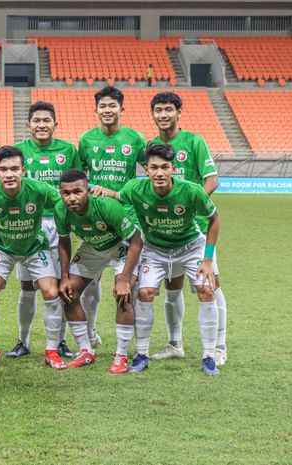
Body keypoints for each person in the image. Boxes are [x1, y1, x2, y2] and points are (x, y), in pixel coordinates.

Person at [119, 143, 221, 375]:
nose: (159, 173)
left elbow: (214, 219)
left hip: (190, 247)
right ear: (146, 169)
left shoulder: (191, 190)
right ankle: (142, 354)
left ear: (173, 169)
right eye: (154, 167)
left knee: (206, 290)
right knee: (145, 293)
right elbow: (119, 200)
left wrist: (207, 260)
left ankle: (209, 356)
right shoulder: (135, 188)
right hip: (155, 249)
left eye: (165, 167)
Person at [148, 91, 228, 366]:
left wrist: (191, 207)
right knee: (172, 288)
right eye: (159, 110)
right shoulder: (151, 145)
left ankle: (219, 347)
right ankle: (175, 344)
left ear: (179, 113)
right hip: (166, 233)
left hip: (196, 228)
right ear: (153, 115)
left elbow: (212, 180)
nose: (163, 115)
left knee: (210, 286)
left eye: (169, 109)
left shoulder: (194, 141)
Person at [0, 146, 66, 369]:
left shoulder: (40, 189)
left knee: (51, 291)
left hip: (35, 247)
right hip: (3, 248)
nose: (9, 174)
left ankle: (51, 350)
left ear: (23, 170)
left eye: (14, 169)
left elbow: (65, 204)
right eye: (3, 169)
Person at [7, 101, 81, 359]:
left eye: (46, 120)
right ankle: (23, 340)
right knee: (27, 287)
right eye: (36, 120)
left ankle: (59, 341)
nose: (41, 125)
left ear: (55, 124)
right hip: (29, 226)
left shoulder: (68, 150)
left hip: (59, 224)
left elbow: (78, 184)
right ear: (28, 125)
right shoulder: (19, 151)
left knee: (60, 285)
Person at [77, 86, 146, 351]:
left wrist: (123, 195)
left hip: (126, 220)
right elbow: (79, 176)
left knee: (129, 283)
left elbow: (152, 168)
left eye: (112, 106)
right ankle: (91, 334)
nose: (107, 110)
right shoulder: (86, 140)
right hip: (94, 221)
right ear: (95, 110)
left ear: (121, 109)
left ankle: (137, 344)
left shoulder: (136, 139)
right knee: (91, 282)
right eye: (103, 106)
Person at [56, 169, 142, 373]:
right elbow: (63, 240)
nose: (71, 198)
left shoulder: (106, 205)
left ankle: (121, 356)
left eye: (78, 192)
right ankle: (85, 351)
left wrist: (124, 278)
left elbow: (136, 241)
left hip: (122, 245)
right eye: (66, 193)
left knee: (123, 295)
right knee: (68, 294)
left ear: (89, 190)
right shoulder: (60, 210)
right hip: (93, 247)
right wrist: (64, 276)